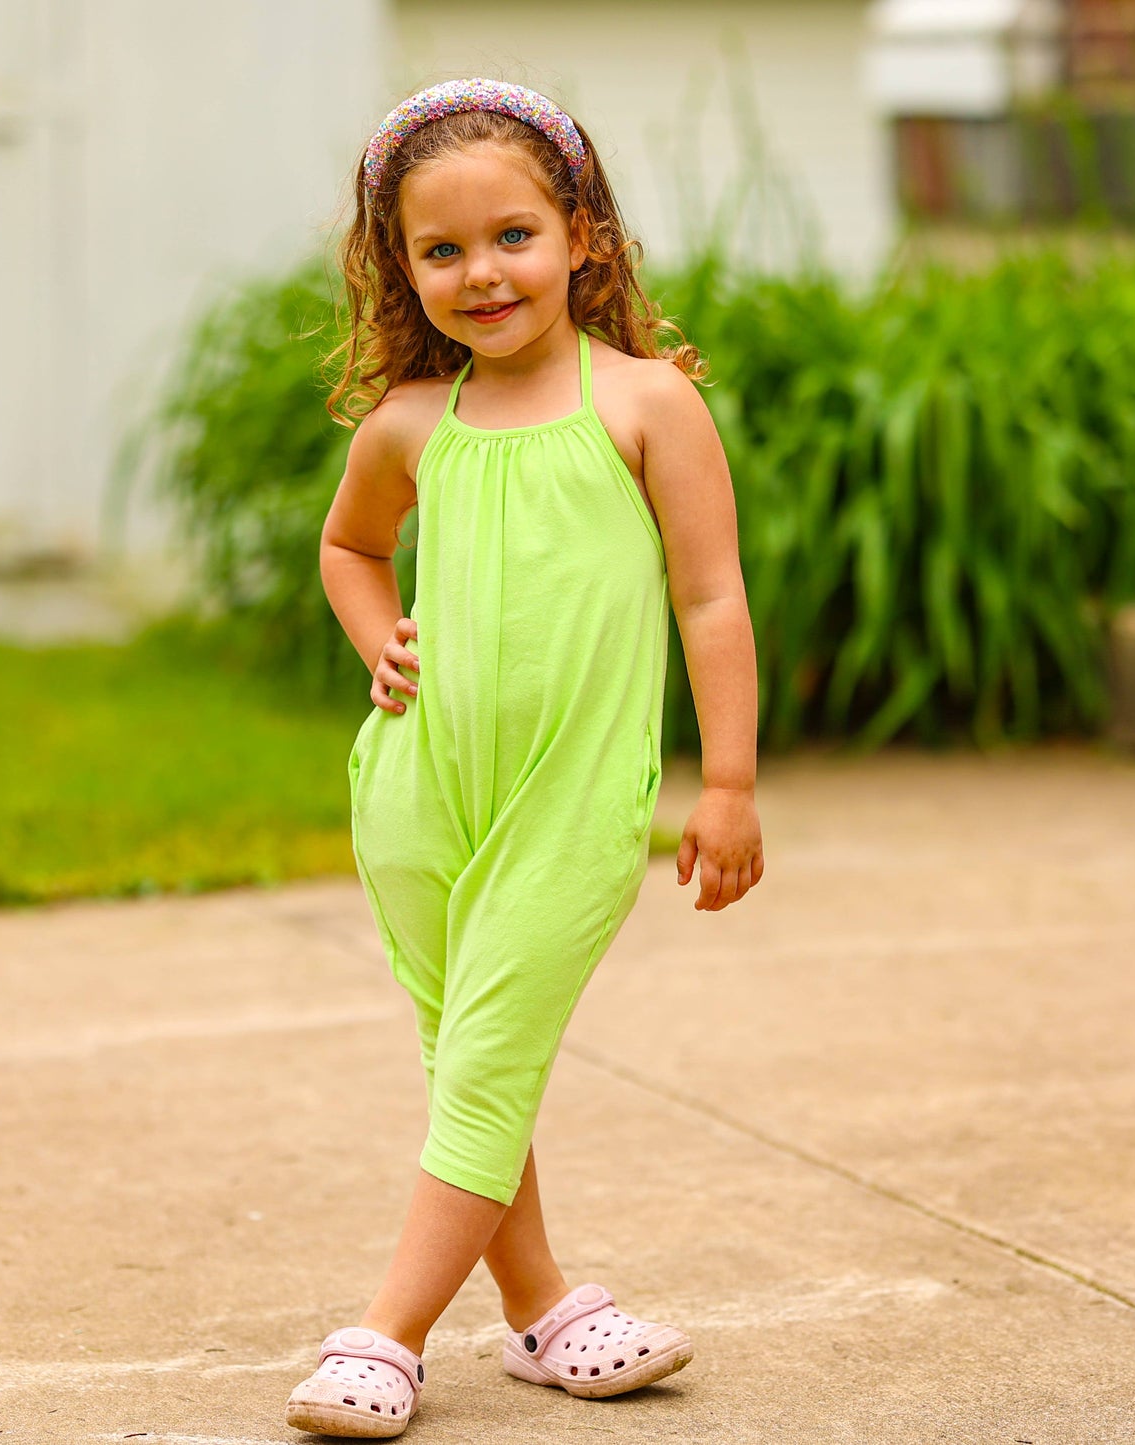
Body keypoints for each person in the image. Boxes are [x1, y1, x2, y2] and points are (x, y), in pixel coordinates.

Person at [291, 77, 764, 1439]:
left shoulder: (645, 405)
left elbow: (711, 597)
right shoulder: (408, 426)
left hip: (570, 802)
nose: (478, 273)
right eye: (438, 250)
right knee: (471, 1066)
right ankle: (548, 1308)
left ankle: (384, 1335)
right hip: (416, 790)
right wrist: (379, 640)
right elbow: (347, 546)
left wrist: (722, 781)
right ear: (401, 269)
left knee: (488, 1058)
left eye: (510, 236)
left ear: (581, 238)